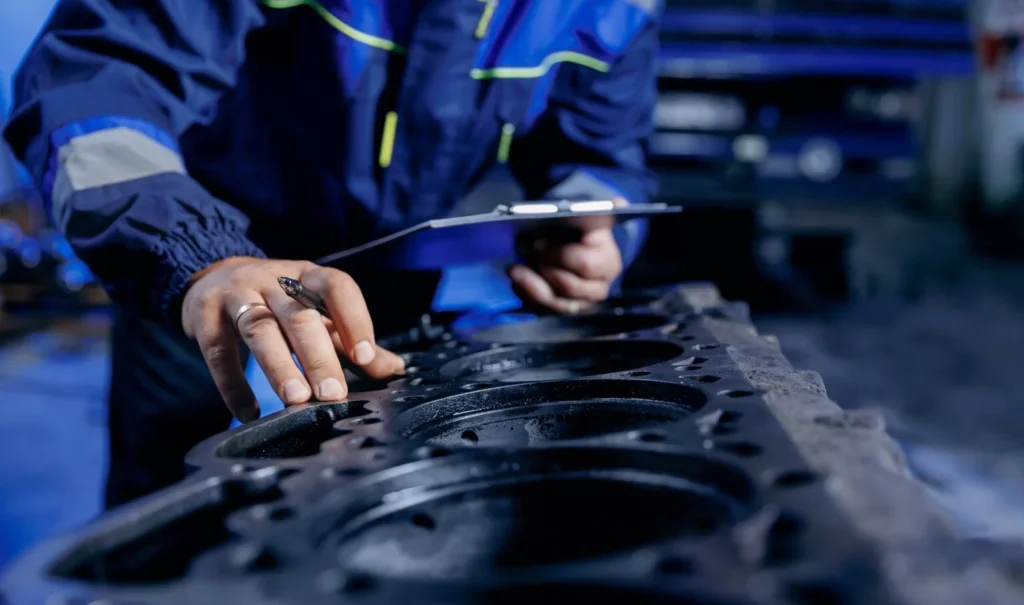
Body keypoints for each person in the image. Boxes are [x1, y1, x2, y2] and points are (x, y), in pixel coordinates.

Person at [3, 0, 661, 507]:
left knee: (386, 492)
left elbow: (605, 157)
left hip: (390, 269)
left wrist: (598, 232)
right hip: (200, 267)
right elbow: (95, 80)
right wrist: (197, 255)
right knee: (170, 493)